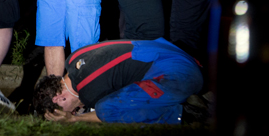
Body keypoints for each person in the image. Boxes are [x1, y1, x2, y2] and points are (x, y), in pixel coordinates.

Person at [33, 37, 203, 124]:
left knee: (106, 108)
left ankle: (185, 113)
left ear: (59, 98)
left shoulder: (88, 89)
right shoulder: (72, 60)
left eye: (69, 109)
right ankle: (184, 98)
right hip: (174, 55)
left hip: (179, 73)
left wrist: (75, 119)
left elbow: (106, 113)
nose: (76, 110)